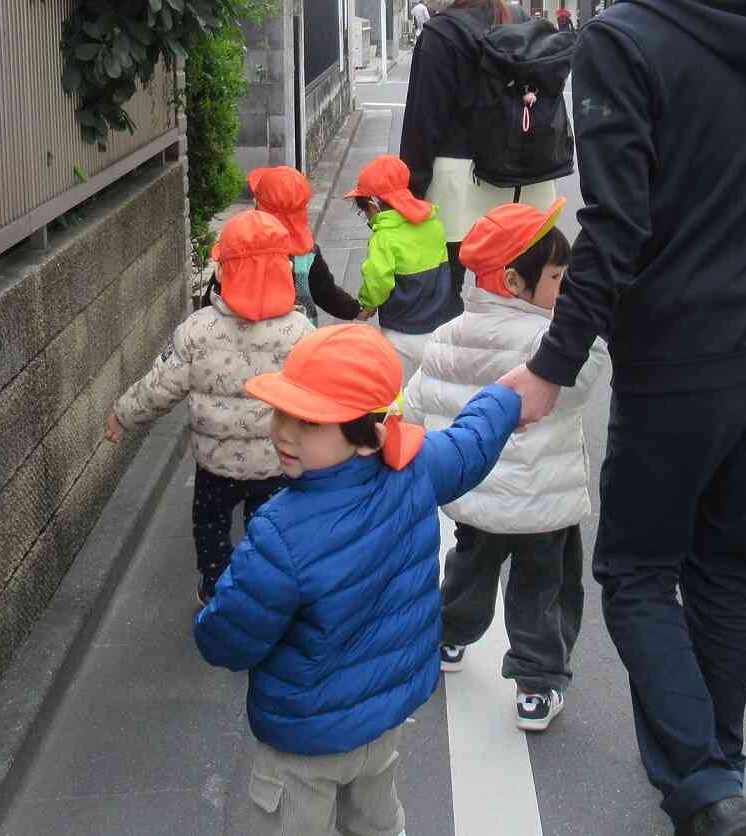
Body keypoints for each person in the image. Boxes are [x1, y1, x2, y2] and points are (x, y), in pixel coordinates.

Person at [497, 0, 746, 833]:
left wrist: (549, 366)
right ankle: (718, 773)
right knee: (726, 566)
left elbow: (615, 228)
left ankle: (706, 783)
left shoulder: (623, 42)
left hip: (684, 360)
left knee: (639, 573)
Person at [193, 324, 522, 836]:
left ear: (367, 436)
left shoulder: (281, 533)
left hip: (303, 741)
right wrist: (507, 398)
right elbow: (469, 445)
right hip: (381, 723)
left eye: (309, 422)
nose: (284, 431)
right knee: (376, 823)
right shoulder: (413, 469)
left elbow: (228, 639)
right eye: (283, 412)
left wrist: (208, 621)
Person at [405, 199, 606, 732]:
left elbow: (417, 399)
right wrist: (595, 331)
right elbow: (581, 385)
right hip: (543, 503)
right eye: (559, 277)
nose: (567, 288)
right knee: (542, 592)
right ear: (516, 282)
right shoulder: (552, 343)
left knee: (469, 569)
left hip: (473, 495)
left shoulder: (449, 334)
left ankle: (447, 638)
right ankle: (536, 686)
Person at [105, 210, 313, 606]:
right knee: (269, 527)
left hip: (216, 463)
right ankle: (267, 587)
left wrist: (122, 414)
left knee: (211, 524)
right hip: (279, 459)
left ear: (224, 273)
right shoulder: (300, 333)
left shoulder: (198, 330)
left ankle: (215, 584)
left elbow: (160, 386)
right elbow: (324, 388)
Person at [399, 0, 558, 304]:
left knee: (446, 292)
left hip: (459, 184)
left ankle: (458, 350)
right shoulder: (519, 18)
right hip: (524, 180)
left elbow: (424, 121)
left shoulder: (442, 32)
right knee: (519, 291)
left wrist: (410, 192)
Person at [345, 154, 459, 384]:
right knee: (430, 388)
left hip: (400, 330)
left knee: (395, 390)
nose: (365, 218)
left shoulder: (383, 237)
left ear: (374, 206)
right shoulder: (434, 225)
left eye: (363, 211)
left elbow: (378, 281)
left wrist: (367, 306)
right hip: (438, 326)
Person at [247, 166, 362, 324]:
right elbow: (327, 295)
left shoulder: (239, 244)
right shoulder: (307, 256)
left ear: (259, 206)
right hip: (298, 339)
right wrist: (356, 310)